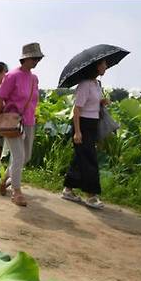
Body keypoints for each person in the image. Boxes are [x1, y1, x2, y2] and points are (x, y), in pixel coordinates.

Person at [0, 43, 43, 207]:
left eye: (38, 58)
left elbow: (34, 100)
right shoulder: (12, 76)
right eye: (34, 58)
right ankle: (16, 191)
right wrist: (1, 117)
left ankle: (6, 178)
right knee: (19, 156)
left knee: (25, 157)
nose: (37, 61)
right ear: (25, 58)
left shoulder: (34, 78)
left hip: (29, 122)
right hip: (13, 123)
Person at [61, 59, 110, 209]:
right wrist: (77, 132)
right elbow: (77, 109)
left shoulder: (96, 84)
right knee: (90, 160)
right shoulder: (84, 85)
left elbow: (92, 103)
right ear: (96, 67)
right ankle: (91, 196)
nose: (106, 66)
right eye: (103, 64)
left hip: (93, 124)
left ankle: (68, 190)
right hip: (82, 124)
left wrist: (101, 102)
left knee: (80, 158)